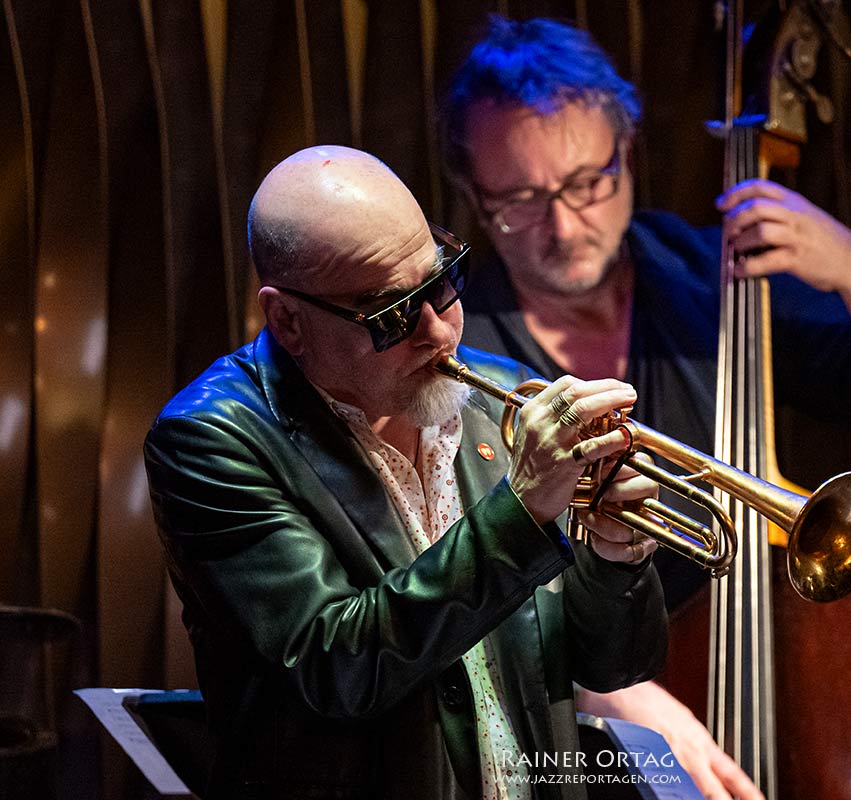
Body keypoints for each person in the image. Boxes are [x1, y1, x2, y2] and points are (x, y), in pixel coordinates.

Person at [441, 16, 851, 800]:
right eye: (520, 200)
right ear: (472, 193)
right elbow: (438, 586)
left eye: (587, 182)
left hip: (774, 688)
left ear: (628, 154)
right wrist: (601, 688)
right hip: (565, 737)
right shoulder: (459, 349)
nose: (563, 226)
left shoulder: (714, 280)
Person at [143, 144, 671, 800]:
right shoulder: (211, 440)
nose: (439, 333)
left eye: (441, 282)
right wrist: (520, 511)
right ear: (288, 320)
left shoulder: (502, 396)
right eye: (392, 314)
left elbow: (612, 665)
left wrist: (617, 557)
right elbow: (338, 667)